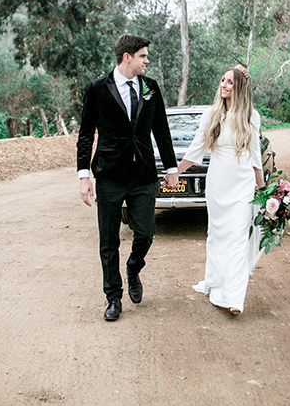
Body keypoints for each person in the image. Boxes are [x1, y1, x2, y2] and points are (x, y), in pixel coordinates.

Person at [77, 34, 179, 321]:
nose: (147, 61)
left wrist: (171, 168)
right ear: (127, 57)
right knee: (108, 240)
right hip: (109, 174)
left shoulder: (151, 88)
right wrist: (83, 176)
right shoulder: (97, 89)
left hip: (143, 174)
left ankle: (134, 268)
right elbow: (86, 135)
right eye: (143, 56)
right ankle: (113, 297)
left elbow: (161, 130)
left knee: (146, 231)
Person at [175, 65, 265, 315]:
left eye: (230, 82)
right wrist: (175, 173)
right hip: (217, 184)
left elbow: (255, 156)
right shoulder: (211, 114)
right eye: (223, 80)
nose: (223, 85)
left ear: (240, 89)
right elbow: (195, 150)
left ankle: (234, 296)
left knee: (237, 237)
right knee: (217, 236)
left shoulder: (251, 117)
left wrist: (266, 193)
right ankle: (215, 281)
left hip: (242, 183)